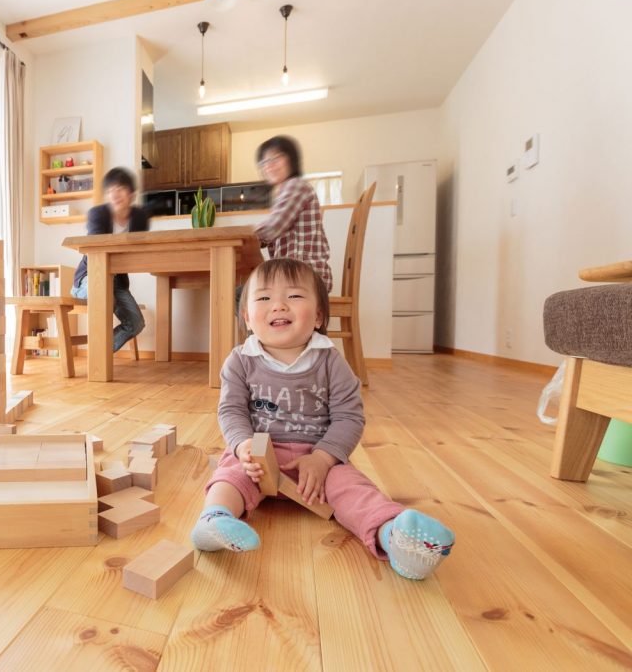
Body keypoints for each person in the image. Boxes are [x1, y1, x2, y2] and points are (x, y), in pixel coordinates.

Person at [190, 258, 455, 580]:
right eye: (263, 298)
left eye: (294, 296)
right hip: (259, 454)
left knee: (352, 487)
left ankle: (394, 537)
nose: (278, 306)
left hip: (316, 457)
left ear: (318, 316)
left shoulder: (330, 361)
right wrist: (242, 444)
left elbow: (349, 417)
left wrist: (323, 458)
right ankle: (213, 521)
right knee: (229, 473)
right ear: (247, 317)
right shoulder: (240, 360)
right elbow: (231, 409)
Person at [71, 167, 149, 352]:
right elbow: (95, 254)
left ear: (130, 192)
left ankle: (99, 350)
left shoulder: (139, 218)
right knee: (105, 296)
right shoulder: (98, 214)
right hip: (90, 277)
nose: (114, 194)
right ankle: (98, 360)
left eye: (120, 188)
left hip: (118, 282)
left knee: (136, 323)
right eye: (110, 190)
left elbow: (138, 251)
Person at [253, 136, 334, 293]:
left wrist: (246, 235)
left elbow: (273, 227)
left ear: (291, 159)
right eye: (264, 163)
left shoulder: (295, 186)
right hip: (299, 274)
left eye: (275, 158)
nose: (269, 166)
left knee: (241, 295)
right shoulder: (286, 192)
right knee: (247, 292)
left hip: (303, 274)